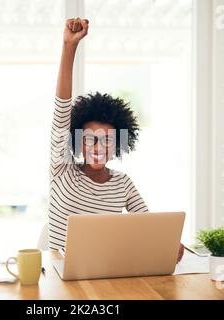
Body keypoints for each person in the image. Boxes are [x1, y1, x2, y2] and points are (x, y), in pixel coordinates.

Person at [49, 18, 184, 263]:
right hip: (58, 277)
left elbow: (150, 226)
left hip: (103, 275)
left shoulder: (122, 183)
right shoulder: (62, 170)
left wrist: (169, 243)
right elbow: (62, 108)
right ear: (78, 141)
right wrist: (69, 48)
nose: (98, 148)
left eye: (107, 140)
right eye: (90, 139)